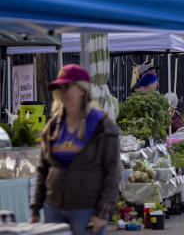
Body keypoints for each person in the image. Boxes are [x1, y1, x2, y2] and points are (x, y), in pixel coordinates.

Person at [30, 65, 122, 235]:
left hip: (86, 210)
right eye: (59, 88)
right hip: (53, 207)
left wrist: (103, 213)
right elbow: (42, 169)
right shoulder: (54, 125)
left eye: (67, 87)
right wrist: (36, 207)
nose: (62, 92)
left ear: (82, 90)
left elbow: (113, 172)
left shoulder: (102, 125)